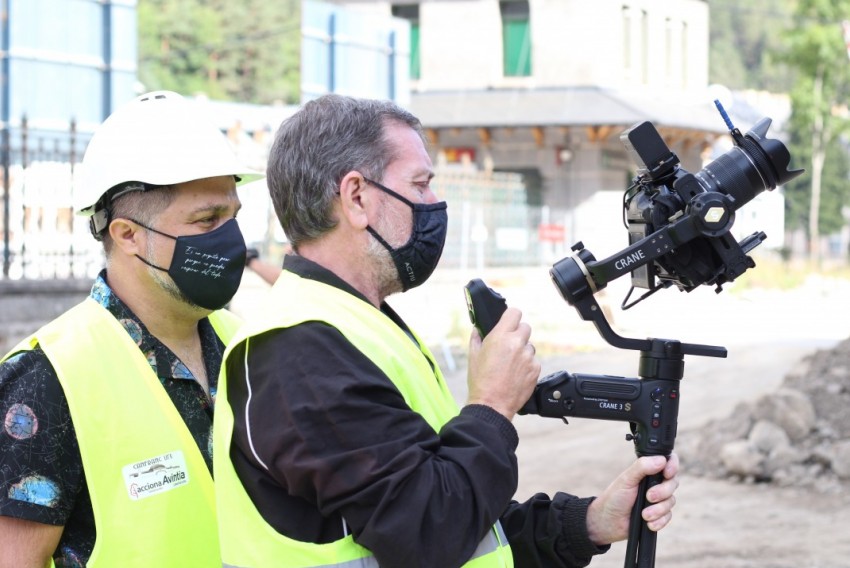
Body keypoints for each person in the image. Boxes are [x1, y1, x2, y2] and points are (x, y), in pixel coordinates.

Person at [213, 94, 679, 568]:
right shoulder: (300, 353)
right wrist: (492, 406)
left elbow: (458, 515)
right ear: (356, 197)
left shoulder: (357, 327)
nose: (434, 204)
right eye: (420, 185)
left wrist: (589, 523)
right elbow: (430, 532)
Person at [0, 91, 257, 567]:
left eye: (232, 216)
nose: (231, 240)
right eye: (207, 220)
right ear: (128, 235)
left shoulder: (246, 344)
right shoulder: (46, 380)